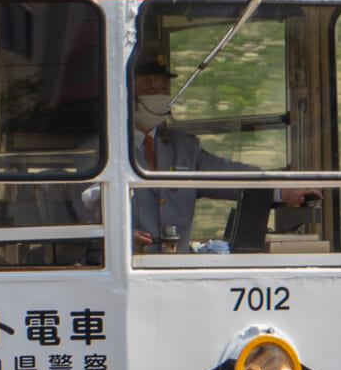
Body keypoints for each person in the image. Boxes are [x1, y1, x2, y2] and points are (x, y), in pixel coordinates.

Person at [129, 59, 320, 251]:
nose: (161, 94)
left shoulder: (184, 147)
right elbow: (98, 203)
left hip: (177, 264)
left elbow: (226, 173)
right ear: (129, 94)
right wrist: (123, 237)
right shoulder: (105, 150)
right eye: (151, 85)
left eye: (165, 87)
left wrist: (280, 189)